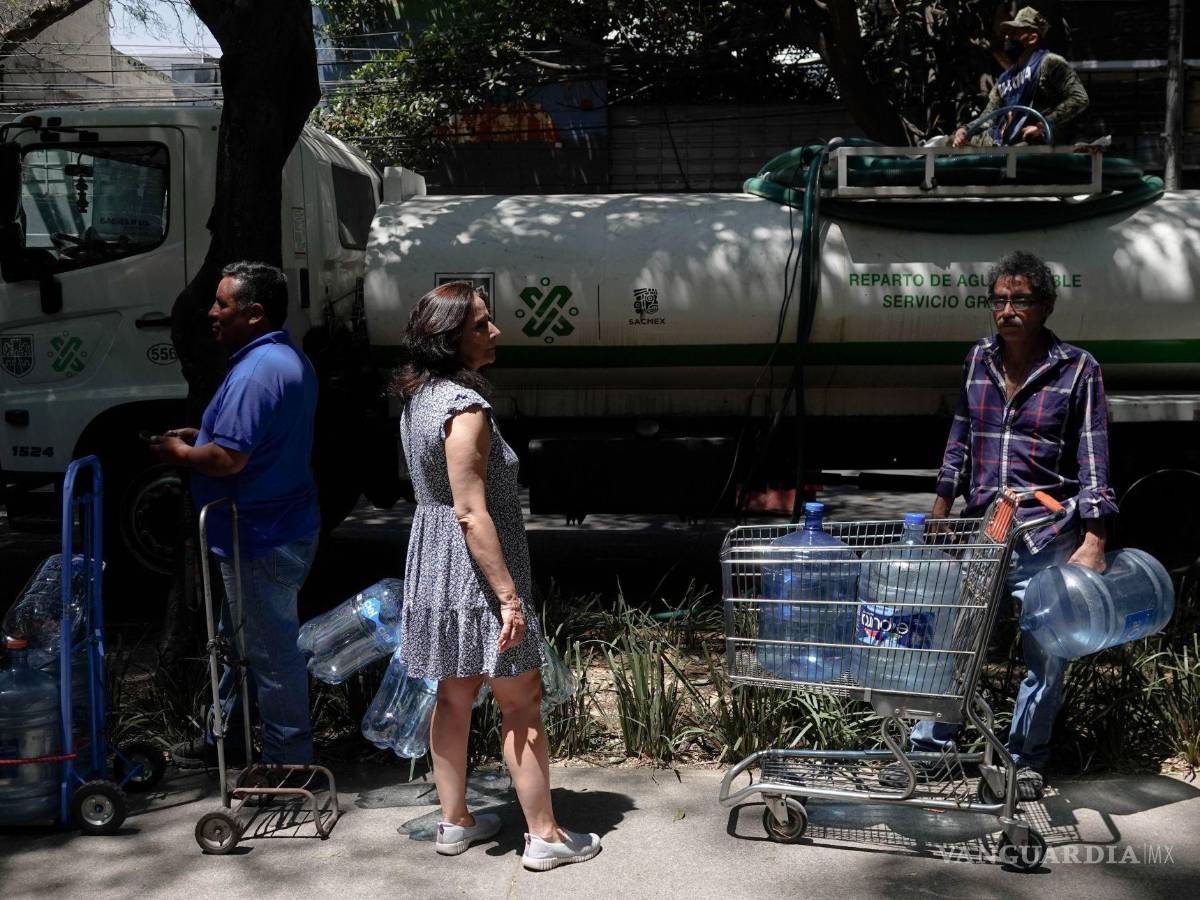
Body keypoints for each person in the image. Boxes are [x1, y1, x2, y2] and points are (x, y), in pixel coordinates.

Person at [880, 249, 1117, 801]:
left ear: (1046, 305)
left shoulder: (1078, 368)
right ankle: (929, 753)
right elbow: (959, 438)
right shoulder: (978, 359)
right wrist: (940, 509)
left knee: (1048, 654)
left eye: (1021, 300)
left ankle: (1024, 759)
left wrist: (1095, 538)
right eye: (1000, 300)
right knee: (956, 645)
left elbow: (1092, 455)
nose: (1008, 310)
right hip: (984, 534)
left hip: (1045, 537)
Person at [392, 281, 600, 870]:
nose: (495, 332)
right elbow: (470, 510)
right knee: (520, 702)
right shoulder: (465, 407)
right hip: (477, 573)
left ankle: (454, 822)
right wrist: (508, 598)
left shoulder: (419, 398)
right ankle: (545, 836)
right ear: (448, 338)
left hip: (435, 564)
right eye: (481, 325)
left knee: (453, 696)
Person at [154, 261, 320, 768]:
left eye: (222, 304)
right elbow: (244, 441)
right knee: (235, 643)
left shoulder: (257, 372)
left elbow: (230, 458)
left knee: (270, 655)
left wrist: (183, 454)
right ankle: (227, 739)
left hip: (260, 534)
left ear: (254, 313)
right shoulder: (280, 359)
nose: (211, 312)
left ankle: (291, 764)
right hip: (269, 528)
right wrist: (200, 438)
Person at [952, 6, 1089, 148]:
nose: (1007, 37)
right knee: (946, 143)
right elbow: (989, 116)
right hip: (1005, 144)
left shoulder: (1050, 62)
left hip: (1036, 145)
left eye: (1014, 33)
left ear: (1032, 38)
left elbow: (1079, 98)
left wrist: (1043, 124)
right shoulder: (1005, 78)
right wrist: (965, 130)